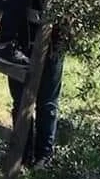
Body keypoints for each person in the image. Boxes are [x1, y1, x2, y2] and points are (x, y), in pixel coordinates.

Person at [8, 25, 66, 170]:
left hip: (54, 41)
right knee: (21, 102)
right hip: (20, 42)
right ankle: (21, 156)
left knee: (47, 103)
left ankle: (43, 157)